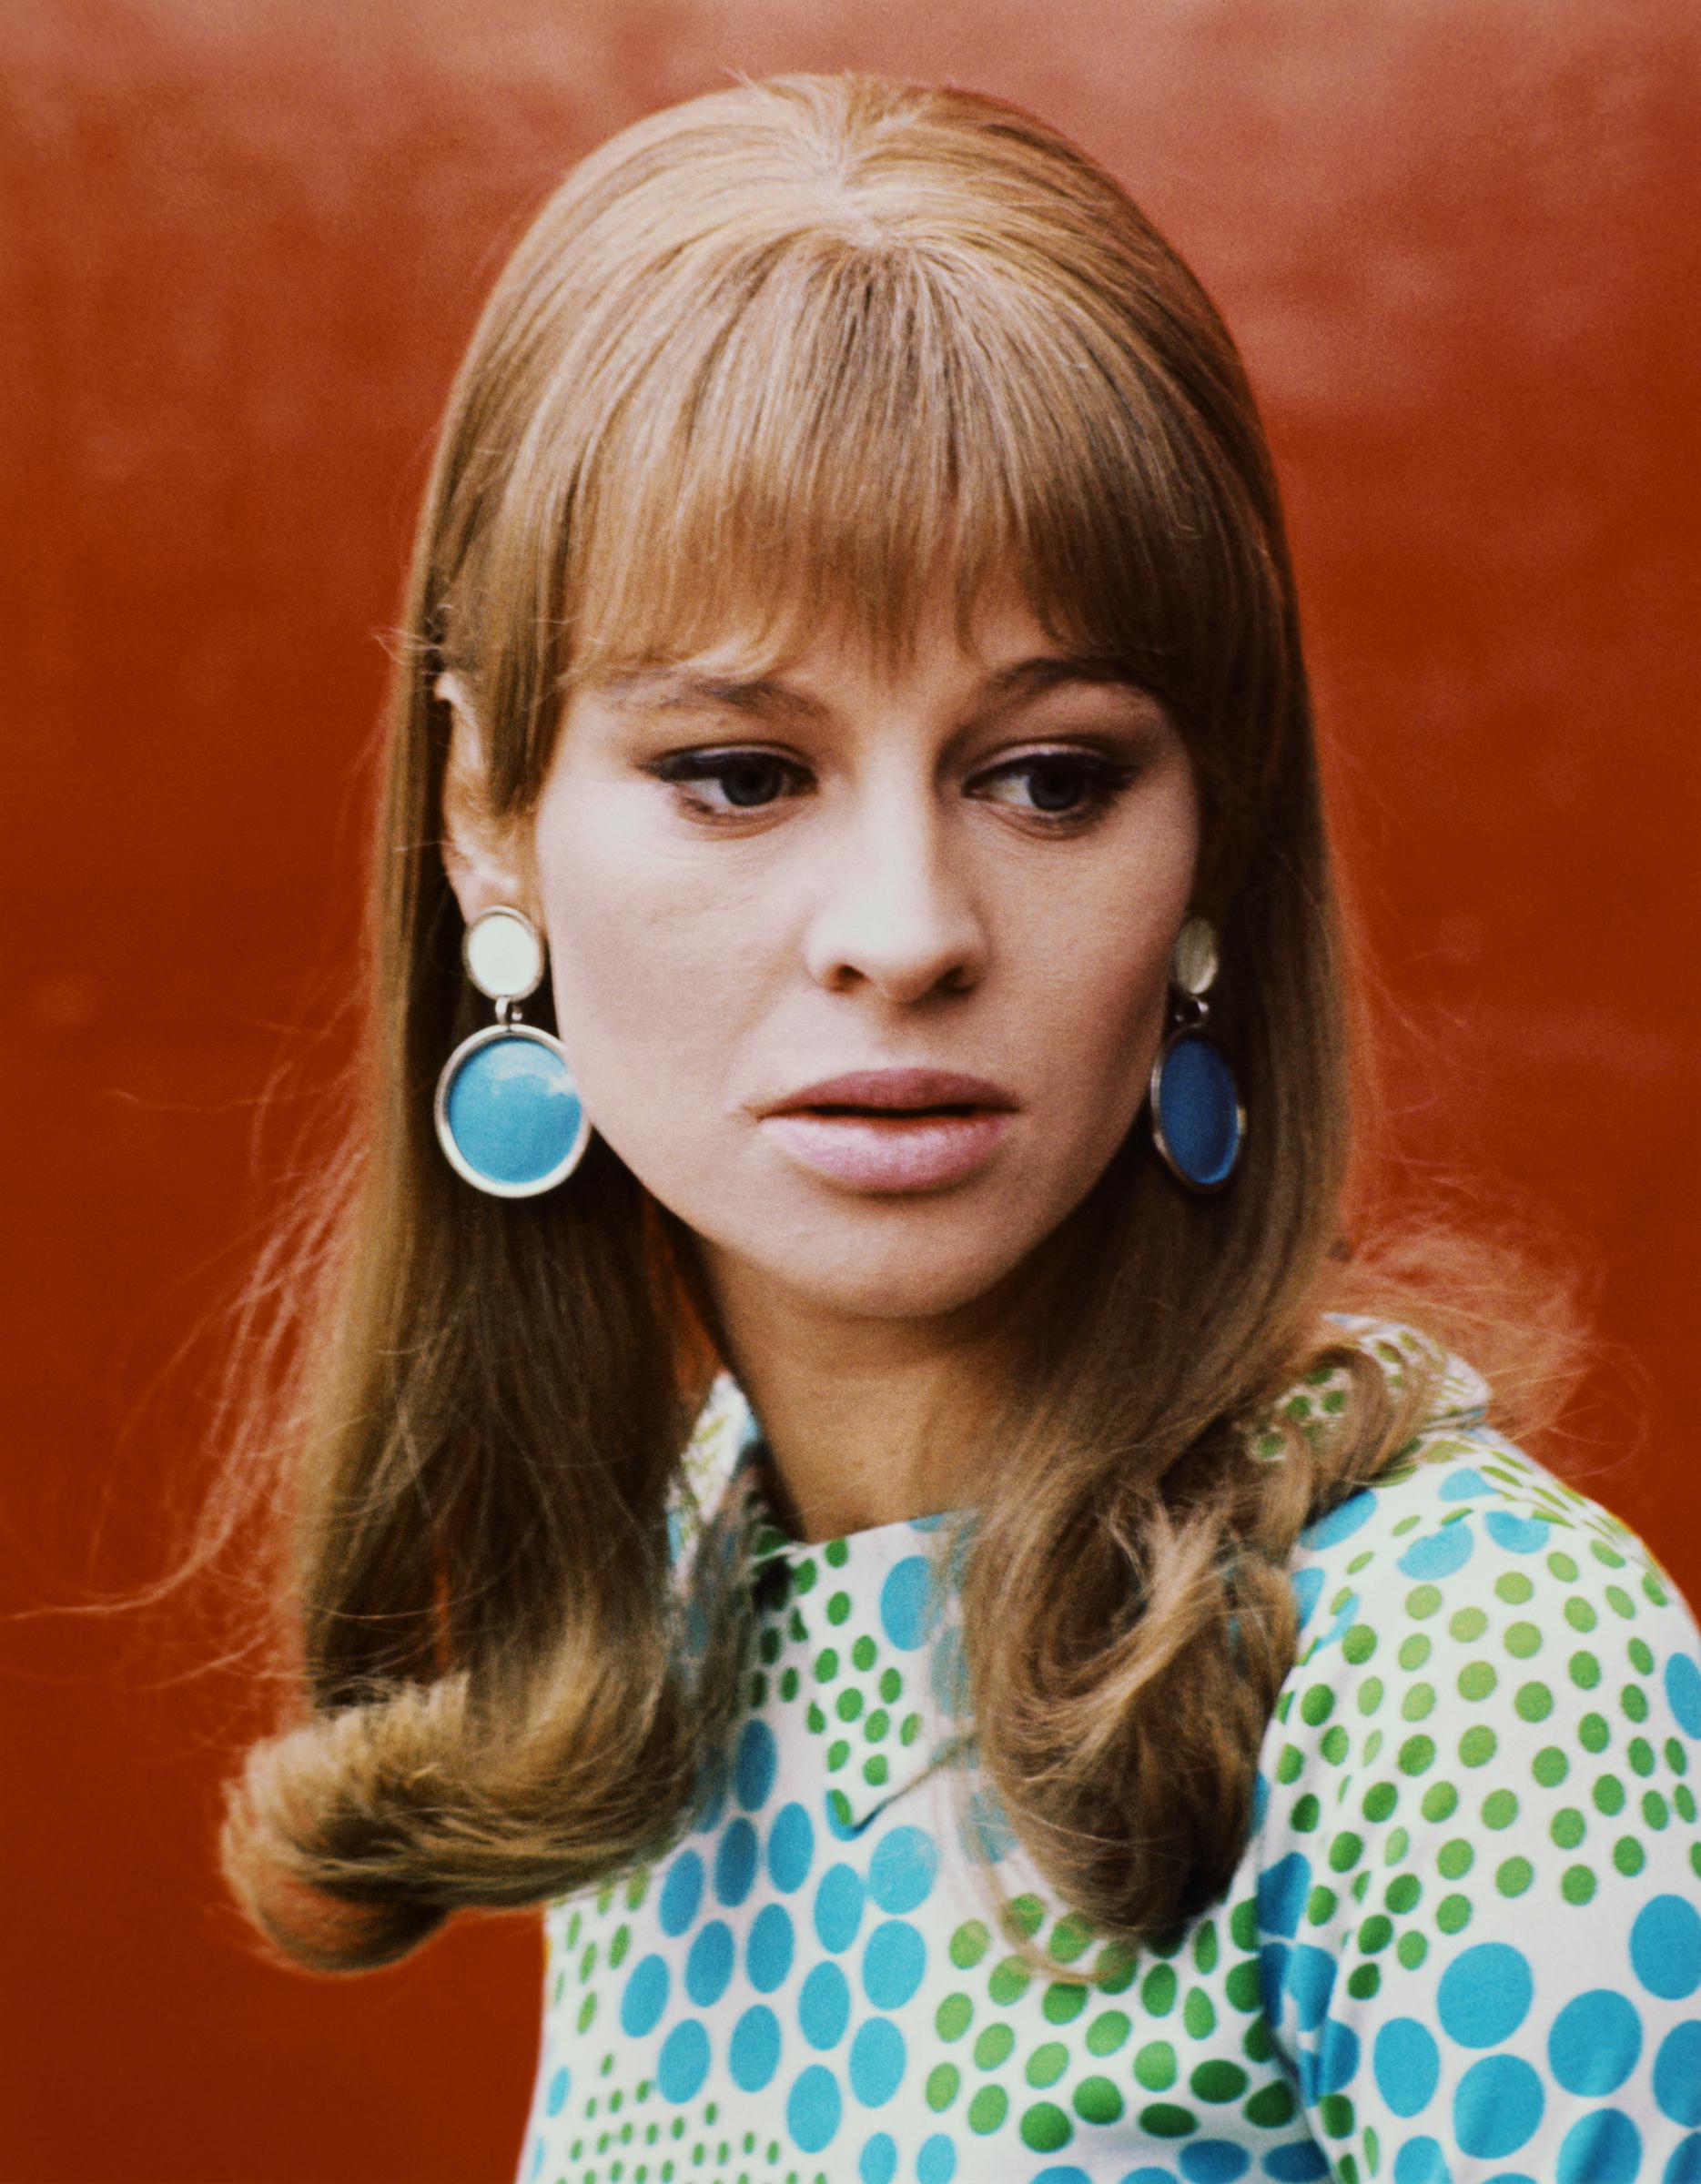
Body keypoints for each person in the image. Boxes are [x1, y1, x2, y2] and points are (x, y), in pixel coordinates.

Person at [218, 72, 1701, 2184]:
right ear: (488, 824)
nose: (902, 934)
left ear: (1211, 839)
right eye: (739, 772)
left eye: (1050, 777)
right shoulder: (685, 1597)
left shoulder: (1461, 1675)